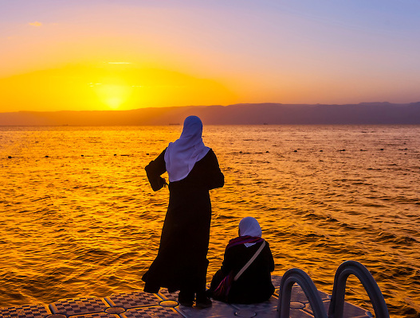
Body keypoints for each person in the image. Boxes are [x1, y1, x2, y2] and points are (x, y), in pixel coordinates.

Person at [142, 115, 224, 309]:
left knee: (178, 249)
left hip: (177, 210)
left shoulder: (171, 152)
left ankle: (186, 296)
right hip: (200, 209)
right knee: (198, 251)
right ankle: (200, 297)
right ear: (200, 130)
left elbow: (151, 170)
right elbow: (219, 181)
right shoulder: (206, 153)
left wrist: (160, 183)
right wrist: (201, 184)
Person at [208, 217, 275, 304]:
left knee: (219, 275)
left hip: (239, 296)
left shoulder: (233, 246)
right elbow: (271, 267)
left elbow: (225, 271)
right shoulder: (264, 245)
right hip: (263, 294)